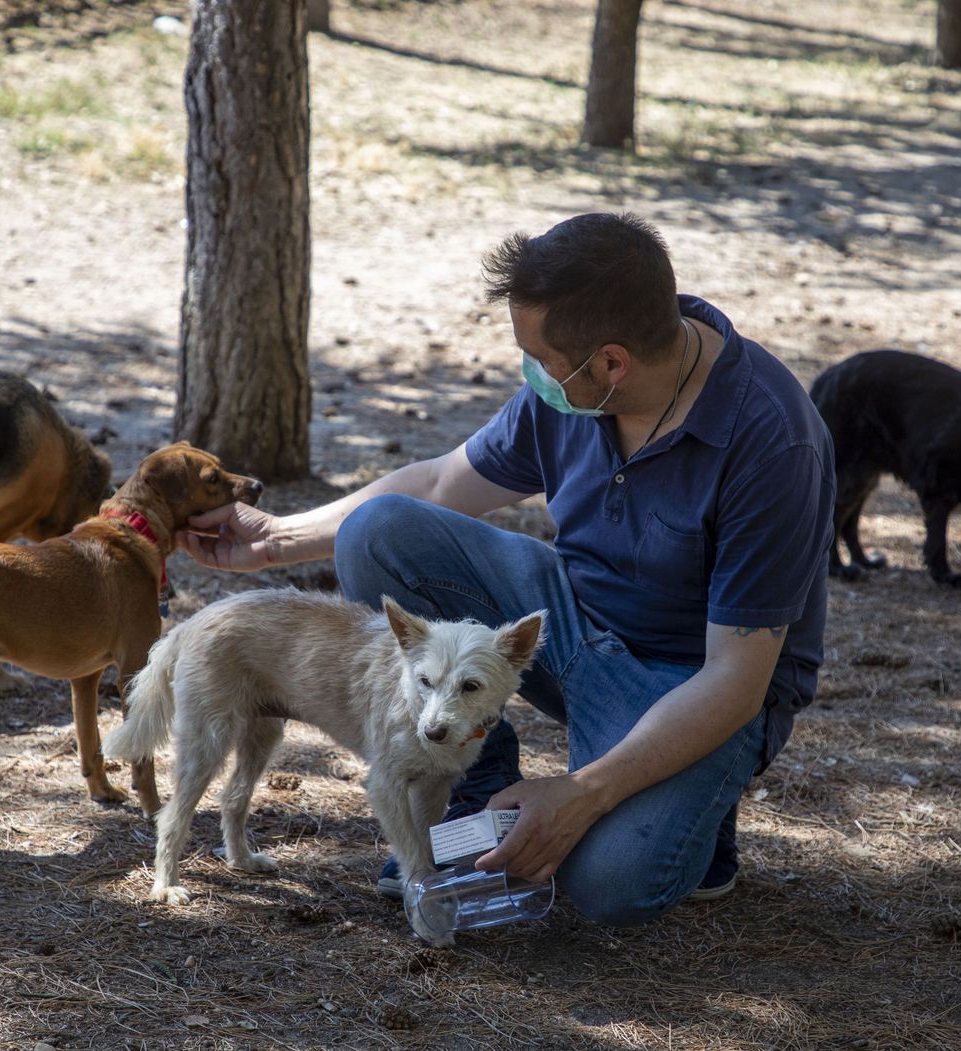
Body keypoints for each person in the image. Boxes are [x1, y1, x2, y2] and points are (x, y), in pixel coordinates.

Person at [176, 212, 835, 926]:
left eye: (540, 359)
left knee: (609, 881)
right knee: (377, 531)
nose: (532, 374)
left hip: (691, 680)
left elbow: (736, 680)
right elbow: (437, 484)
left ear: (612, 363)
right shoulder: (583, 386)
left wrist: (582, 793)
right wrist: (275, 538)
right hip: (575, 621)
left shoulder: (772, 442)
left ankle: (696, 805)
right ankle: (476, 781)